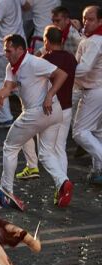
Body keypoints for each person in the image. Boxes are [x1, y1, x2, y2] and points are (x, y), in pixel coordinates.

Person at [0, 34, 70, 216]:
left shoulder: (34, 62)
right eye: (5, 50)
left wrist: (49, 95)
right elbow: (8, 88)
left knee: (10, 146)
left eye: (9, 50)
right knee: (46, 153)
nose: (5, 54)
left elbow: (62, 74)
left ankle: (5, 191)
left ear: (20, 49)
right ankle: (63, 182)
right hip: (52, 113)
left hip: (41, 111)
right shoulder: (11, 67)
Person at [18, 26, 77, 205]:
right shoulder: (70, 58)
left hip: (50, 110)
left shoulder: (45, 60)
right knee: (60, 149)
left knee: (44, 153)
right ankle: (61, 190)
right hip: (67, 109)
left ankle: (62, 183)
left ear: (47, 40)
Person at [72, 5, 102, 184]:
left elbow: (83, 69)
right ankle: (98, 170)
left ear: (100, 21)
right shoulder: (93, 39)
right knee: (97, 132)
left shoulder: (95, 41)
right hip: (96, 89)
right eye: (85, 18)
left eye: (91, 19)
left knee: (80, 132)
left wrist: (64, 70)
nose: (86, 22)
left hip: (94, 90)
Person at [0, 0, 26, 127]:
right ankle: (32, 110)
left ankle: (5, 117)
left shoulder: (2, 3)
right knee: (19, 81)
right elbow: (27, 5)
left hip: (5, 51)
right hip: (20, 47)